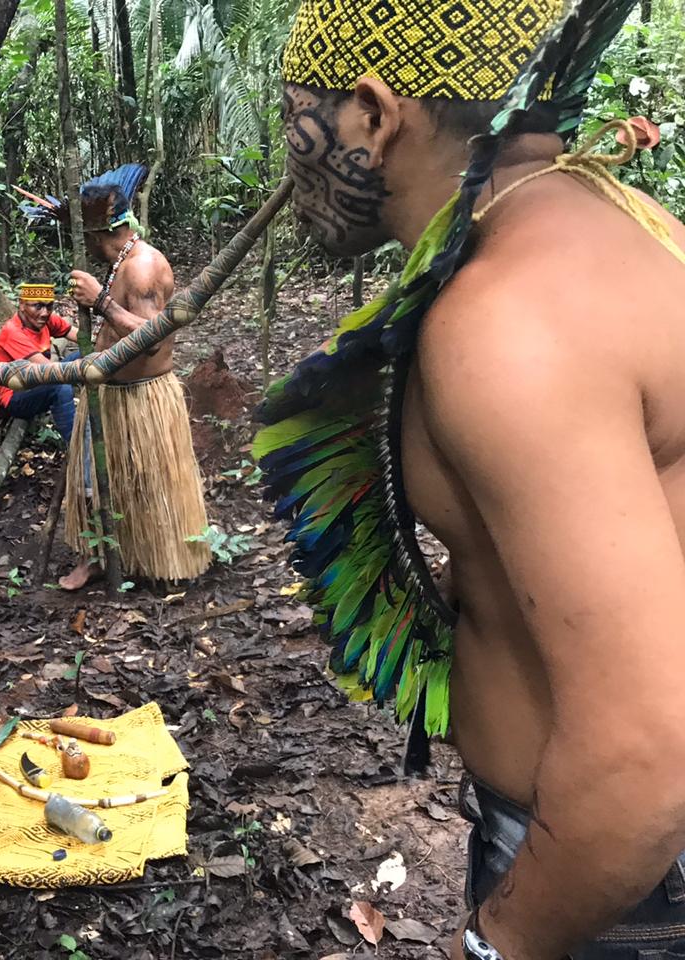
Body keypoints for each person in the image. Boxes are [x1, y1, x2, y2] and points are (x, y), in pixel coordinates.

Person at [261, 1, 685, 957]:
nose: (288, 164)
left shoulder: (510, 323)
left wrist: (498, 943)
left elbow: (646, 752)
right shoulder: (603, 218)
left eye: (294, 120)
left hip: (612, 874)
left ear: (372, 113)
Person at [61, 171, 210, 590]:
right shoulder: (121, 261)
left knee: (146, 483)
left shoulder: (141, 267)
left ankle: (156, 558)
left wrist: (102, 302)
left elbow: (149, 340)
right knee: (98, 481)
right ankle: (101, 556)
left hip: (142, 397)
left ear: (97, 232)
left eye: (87, 236)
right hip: (112, 395)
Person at [0, 282, 79, 440]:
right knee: (60, 387)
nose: (44, 313)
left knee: (86, 354)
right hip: (15, 397)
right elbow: (51, 370)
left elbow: (78, 336)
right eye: (37, 306)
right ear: (22, 304)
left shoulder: (45, 319)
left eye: (49, 306)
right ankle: (77, 446)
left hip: (37, 381)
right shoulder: (12, 332)